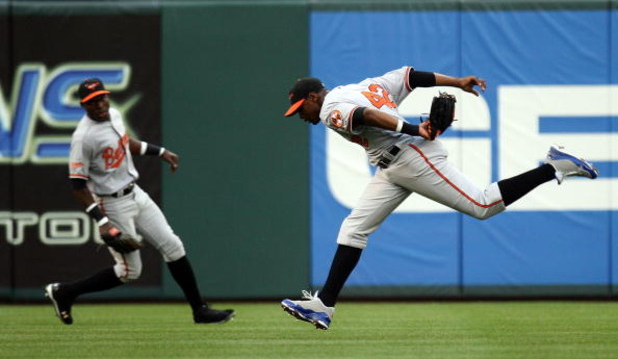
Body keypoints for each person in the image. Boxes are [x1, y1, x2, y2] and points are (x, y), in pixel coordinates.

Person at [280, 66, 598, 330]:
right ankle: (324, 305)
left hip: (412, 155)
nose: (301, 115)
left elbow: (366, 115)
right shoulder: (364, 85)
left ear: (312, 97)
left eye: (300, 108)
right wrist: (457, 82)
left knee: (483, 204)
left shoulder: (329, 109)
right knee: (353, 230)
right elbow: (410, 76)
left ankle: (555, 166)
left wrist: (413, 129)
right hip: (390, 167)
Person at [44, 78, 235, 325]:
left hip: (135, 193)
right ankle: (64, 292)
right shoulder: (83, 138)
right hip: (110, 204)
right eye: (93, 101)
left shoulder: (113, 114)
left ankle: (200, 310)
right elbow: (77, 186)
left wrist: (159, 151)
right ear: (84, 105)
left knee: (173, 246)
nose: (100, 104)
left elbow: (125, 144)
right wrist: (102, 222)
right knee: (130, 272)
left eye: (102, 97)